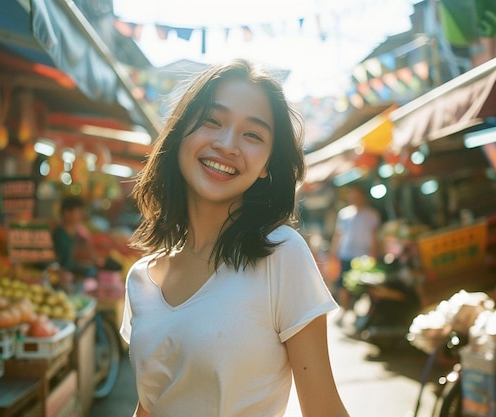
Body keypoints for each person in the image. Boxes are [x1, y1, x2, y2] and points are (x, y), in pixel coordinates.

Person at [120, 59, 350, 417]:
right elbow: (151, 405)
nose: (227, 145)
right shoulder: (140, 281)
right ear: (181, 133)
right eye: (212, 121)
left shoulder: (281, 256)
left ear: (266, 168)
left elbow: (324, 410)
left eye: (253, 135)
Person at [328, 185, 381, 325]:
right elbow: (339, 234)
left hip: (363, 257)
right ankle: (345, 310)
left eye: (357, 195)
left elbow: (375, 237)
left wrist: (375, 255)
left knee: (363, 286)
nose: (354, 198)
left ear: (363, 196)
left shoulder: (372, 215)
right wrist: (333, 252)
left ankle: (359, 315)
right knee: (343, 285)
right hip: (346, 255)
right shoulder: (344, 214)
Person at [51, 196, 121, 288]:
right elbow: (59, 263)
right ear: (66, 213)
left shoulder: (77, 233)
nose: (81, 215)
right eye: (78, 212)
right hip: (62, 277)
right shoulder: (59, 235)